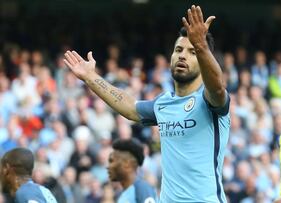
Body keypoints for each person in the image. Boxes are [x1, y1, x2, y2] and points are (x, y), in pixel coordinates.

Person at [64, 5, 230, 202]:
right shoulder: (163, 103)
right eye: (179, 50)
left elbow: (218, 88)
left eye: (192, 52)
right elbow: (130, 108)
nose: (183, 55)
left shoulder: (209, 101)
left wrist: (201, 45)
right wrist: (90, 77)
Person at [108, 138, 157, 203]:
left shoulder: (142, 188)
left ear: (127, 164)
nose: (110, 166)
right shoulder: (124, 192)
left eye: (114, 162)